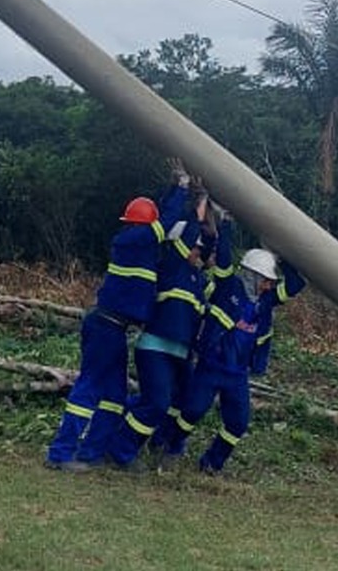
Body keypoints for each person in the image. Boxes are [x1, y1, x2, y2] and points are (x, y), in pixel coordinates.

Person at [46, 170, 187, 470]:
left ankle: (91, 453)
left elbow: (163, 225)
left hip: (114, 329)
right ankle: (60, 454)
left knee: (114, 396)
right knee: (89, 388)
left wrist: (175, 187)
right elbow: (164, 225)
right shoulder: (133, 239)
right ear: (143, 225)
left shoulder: (140, 248)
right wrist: (184, 190)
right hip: (103, 327)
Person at [154, 244, 306, 475]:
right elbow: (223, 259)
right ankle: (170, 449)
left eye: (270, 282)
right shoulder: (229, 289)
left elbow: (296, 285)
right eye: (266, 280)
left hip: (237, 374)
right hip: (211, 366)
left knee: (237, 423)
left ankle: (212, 464)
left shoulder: (266, 301)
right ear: (252, 276)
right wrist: (225, 223)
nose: (269, 285)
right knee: (192, 412)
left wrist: (280, 256)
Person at [103, 197, 227, 471]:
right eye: (194, 247)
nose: (199, 252)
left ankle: (159, 441)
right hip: (156, 349)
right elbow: (193, 234)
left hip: (181, 353)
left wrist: (217, 226)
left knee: (181, 401)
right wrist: (200, 206)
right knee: (157, 402)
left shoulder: (197, 281)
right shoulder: (171, 265)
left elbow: (212, 253)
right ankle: (119, 451)